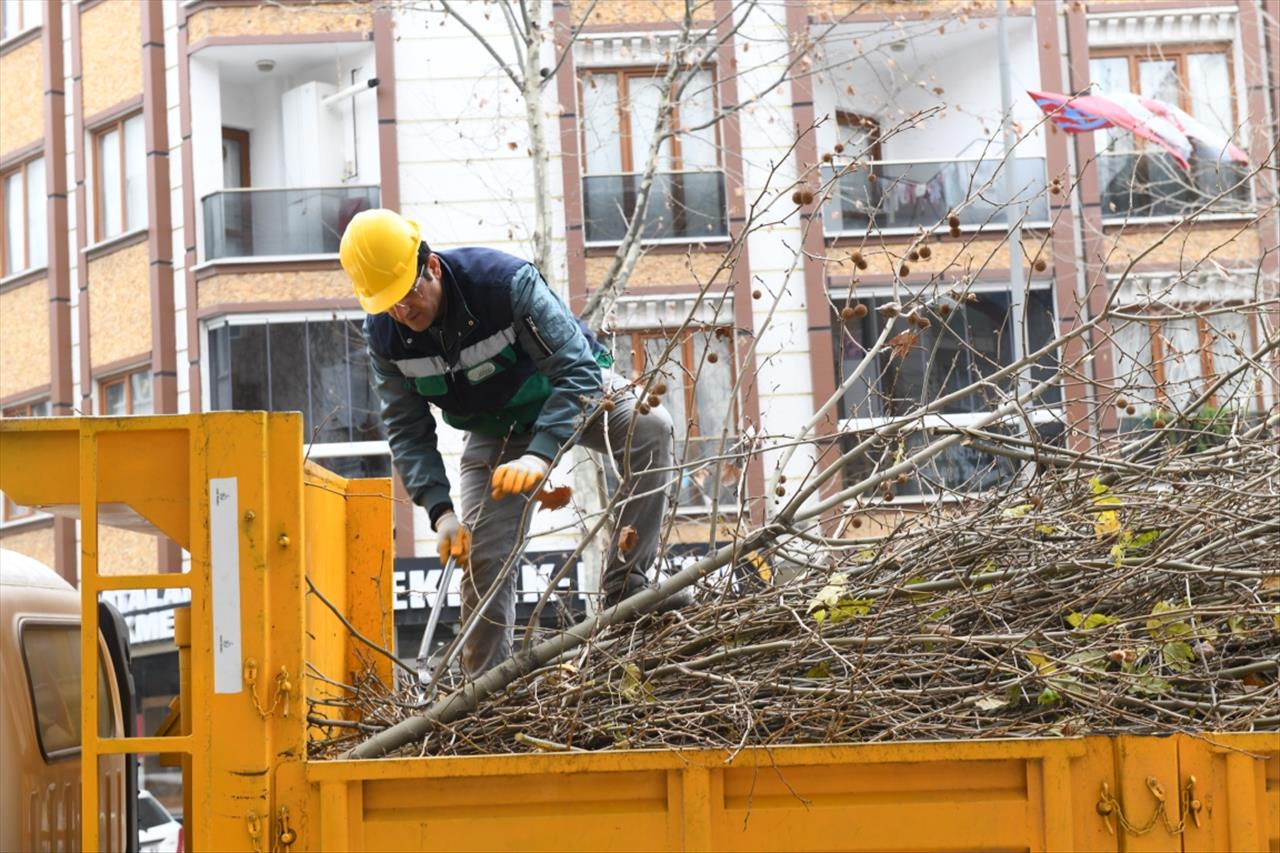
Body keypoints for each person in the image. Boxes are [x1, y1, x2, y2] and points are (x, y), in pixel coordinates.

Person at [339, 209, 687, 678]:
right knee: (483, 560)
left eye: (407, 293)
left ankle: (628, 586)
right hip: (494, 427)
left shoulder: (504, 283)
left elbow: (577, 371)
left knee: (651, 426)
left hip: (570, 392)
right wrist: (440, 513)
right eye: (388, 304)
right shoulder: (383, 335)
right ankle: (485, 692)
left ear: (432, 268)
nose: (403, 311)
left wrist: (540, 453)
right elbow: (406, 427)